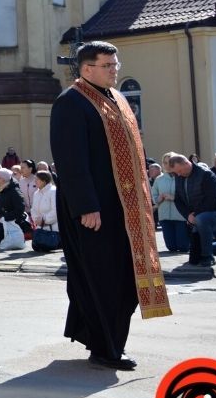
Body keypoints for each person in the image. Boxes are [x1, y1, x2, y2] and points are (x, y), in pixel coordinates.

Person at [51, 41, 171, 371]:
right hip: (93, 211)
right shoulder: (71, 103)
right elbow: (71, 160)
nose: (114, 69)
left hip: (125, 209)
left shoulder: (116, 99)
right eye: (108, 65)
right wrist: (87, 206)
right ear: (87, 68)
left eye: (115, 64)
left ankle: (100, 337)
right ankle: (107, 348)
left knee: (126, 278)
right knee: (104, 278)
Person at [171, 153, 216, 264]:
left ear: (186, 163)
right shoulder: (179, 177)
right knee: (194, 259)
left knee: (201, 219)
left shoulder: (206, 175)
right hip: (196, 216)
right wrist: (188, 215)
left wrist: (195, 215)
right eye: (176, 172)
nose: (178, 174)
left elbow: (213, 201)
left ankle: (208, 257)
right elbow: (178, 200)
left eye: (180, 171)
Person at [151, 152, 189, 253]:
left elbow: (188, 195)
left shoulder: (182, 177)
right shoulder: (159, 180)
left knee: (183, 247)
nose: (167, 165)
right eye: (164, 162)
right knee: (171, 247)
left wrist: (174, 197)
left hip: (180, 216)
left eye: (169, 162)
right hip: (164, 217)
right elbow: (153, 196)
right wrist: (159, 198)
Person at [30, 170, 60, 252]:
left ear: (44, 181)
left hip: (54, 229)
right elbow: (33, 209)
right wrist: (37, 220)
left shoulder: (53, 191)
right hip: (41, 228)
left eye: (37, 179)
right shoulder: (36, 193)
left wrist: (44, 220)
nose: (35, 181)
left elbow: (56, 211)